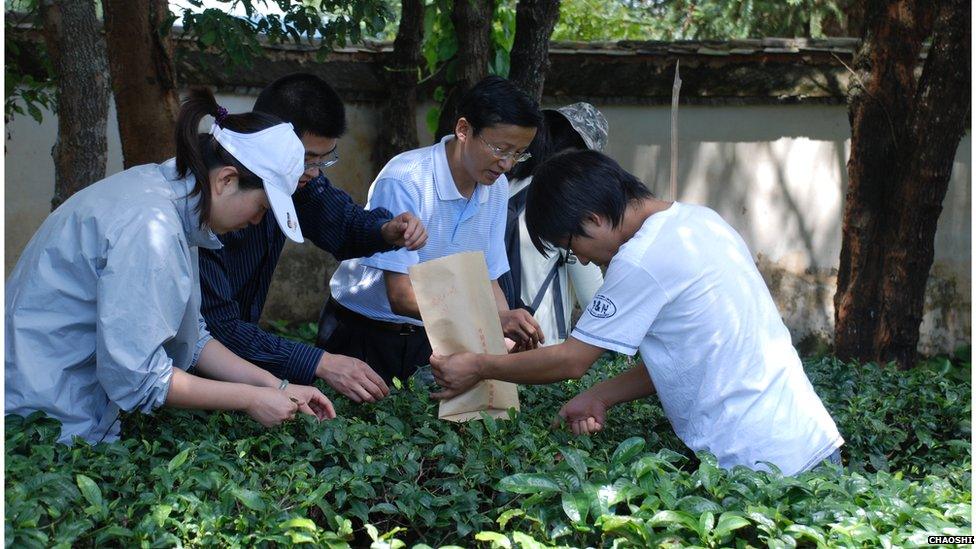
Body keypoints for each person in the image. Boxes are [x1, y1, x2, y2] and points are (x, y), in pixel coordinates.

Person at [430, 150, 844, 475]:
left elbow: (572, 360)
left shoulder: (641, 259)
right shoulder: (701, 221)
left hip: (760, 463)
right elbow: (690, 354)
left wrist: (480, 366)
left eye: (573, 248)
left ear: (592, 220)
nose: (585, 263)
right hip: (809, 442)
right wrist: (598, 397)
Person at [5, 89, 335, 445]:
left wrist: (278, 386)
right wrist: (250, 400)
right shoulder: (152, 228)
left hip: (61, 408)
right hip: (42, 425)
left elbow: (192, 337)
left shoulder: (171, 200)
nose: (257, 221)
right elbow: (139, 378)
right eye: (262, 207)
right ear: (226, 180)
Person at [199, 73, 427, 405]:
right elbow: (217, 331)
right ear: (226, 181)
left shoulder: (301, 181)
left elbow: (343, 223)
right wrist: (319, 363)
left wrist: (385, 230)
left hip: (225, 365)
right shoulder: (203, 210)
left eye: (325, 160)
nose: (313, 172)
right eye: (306, 159)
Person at [320, 76, 545, 383]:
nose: (507, 164)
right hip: (364, 333)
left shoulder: (497, 187)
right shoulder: (406, 180)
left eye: (518, 153)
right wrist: (490, 321)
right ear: (463, 130)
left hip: (435, 333)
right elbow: (400, 295)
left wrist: (500, 342)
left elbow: (488, 277)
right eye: (500, 148)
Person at [498, 103, 607, 344]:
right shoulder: (564, 204)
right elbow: (595, 301)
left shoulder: (500, 190)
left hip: (493, 340)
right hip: (539, 349)